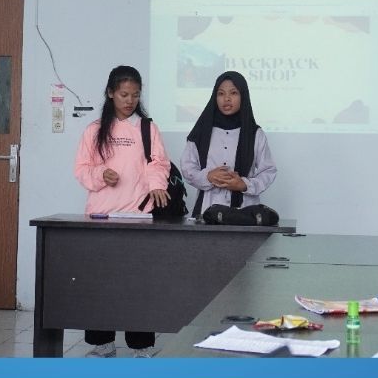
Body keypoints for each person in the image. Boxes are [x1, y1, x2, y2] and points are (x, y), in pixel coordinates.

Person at [73, 65, 170, 356]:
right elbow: (81, 168)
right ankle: (102, 343)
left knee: (138, 284)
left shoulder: (147, 128)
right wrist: (101, 174)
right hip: (100, 216)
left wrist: (157, 185)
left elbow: (158, 163)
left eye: (135, 95)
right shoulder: (94, 130)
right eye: (124, 94)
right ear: (110, 93)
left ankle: (141, 346)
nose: (130, 100)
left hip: (137, 216)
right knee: (100, 283)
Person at [181, 71, 277, 216]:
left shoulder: (254, 133)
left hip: (244, 213)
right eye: (221, 94)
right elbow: (187, 166)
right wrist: (208, 177)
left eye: (233, 93)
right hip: (206, 209)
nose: (226, 99)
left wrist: (244, 184)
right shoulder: (202, 131)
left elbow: (268, 170)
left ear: (243, 96)